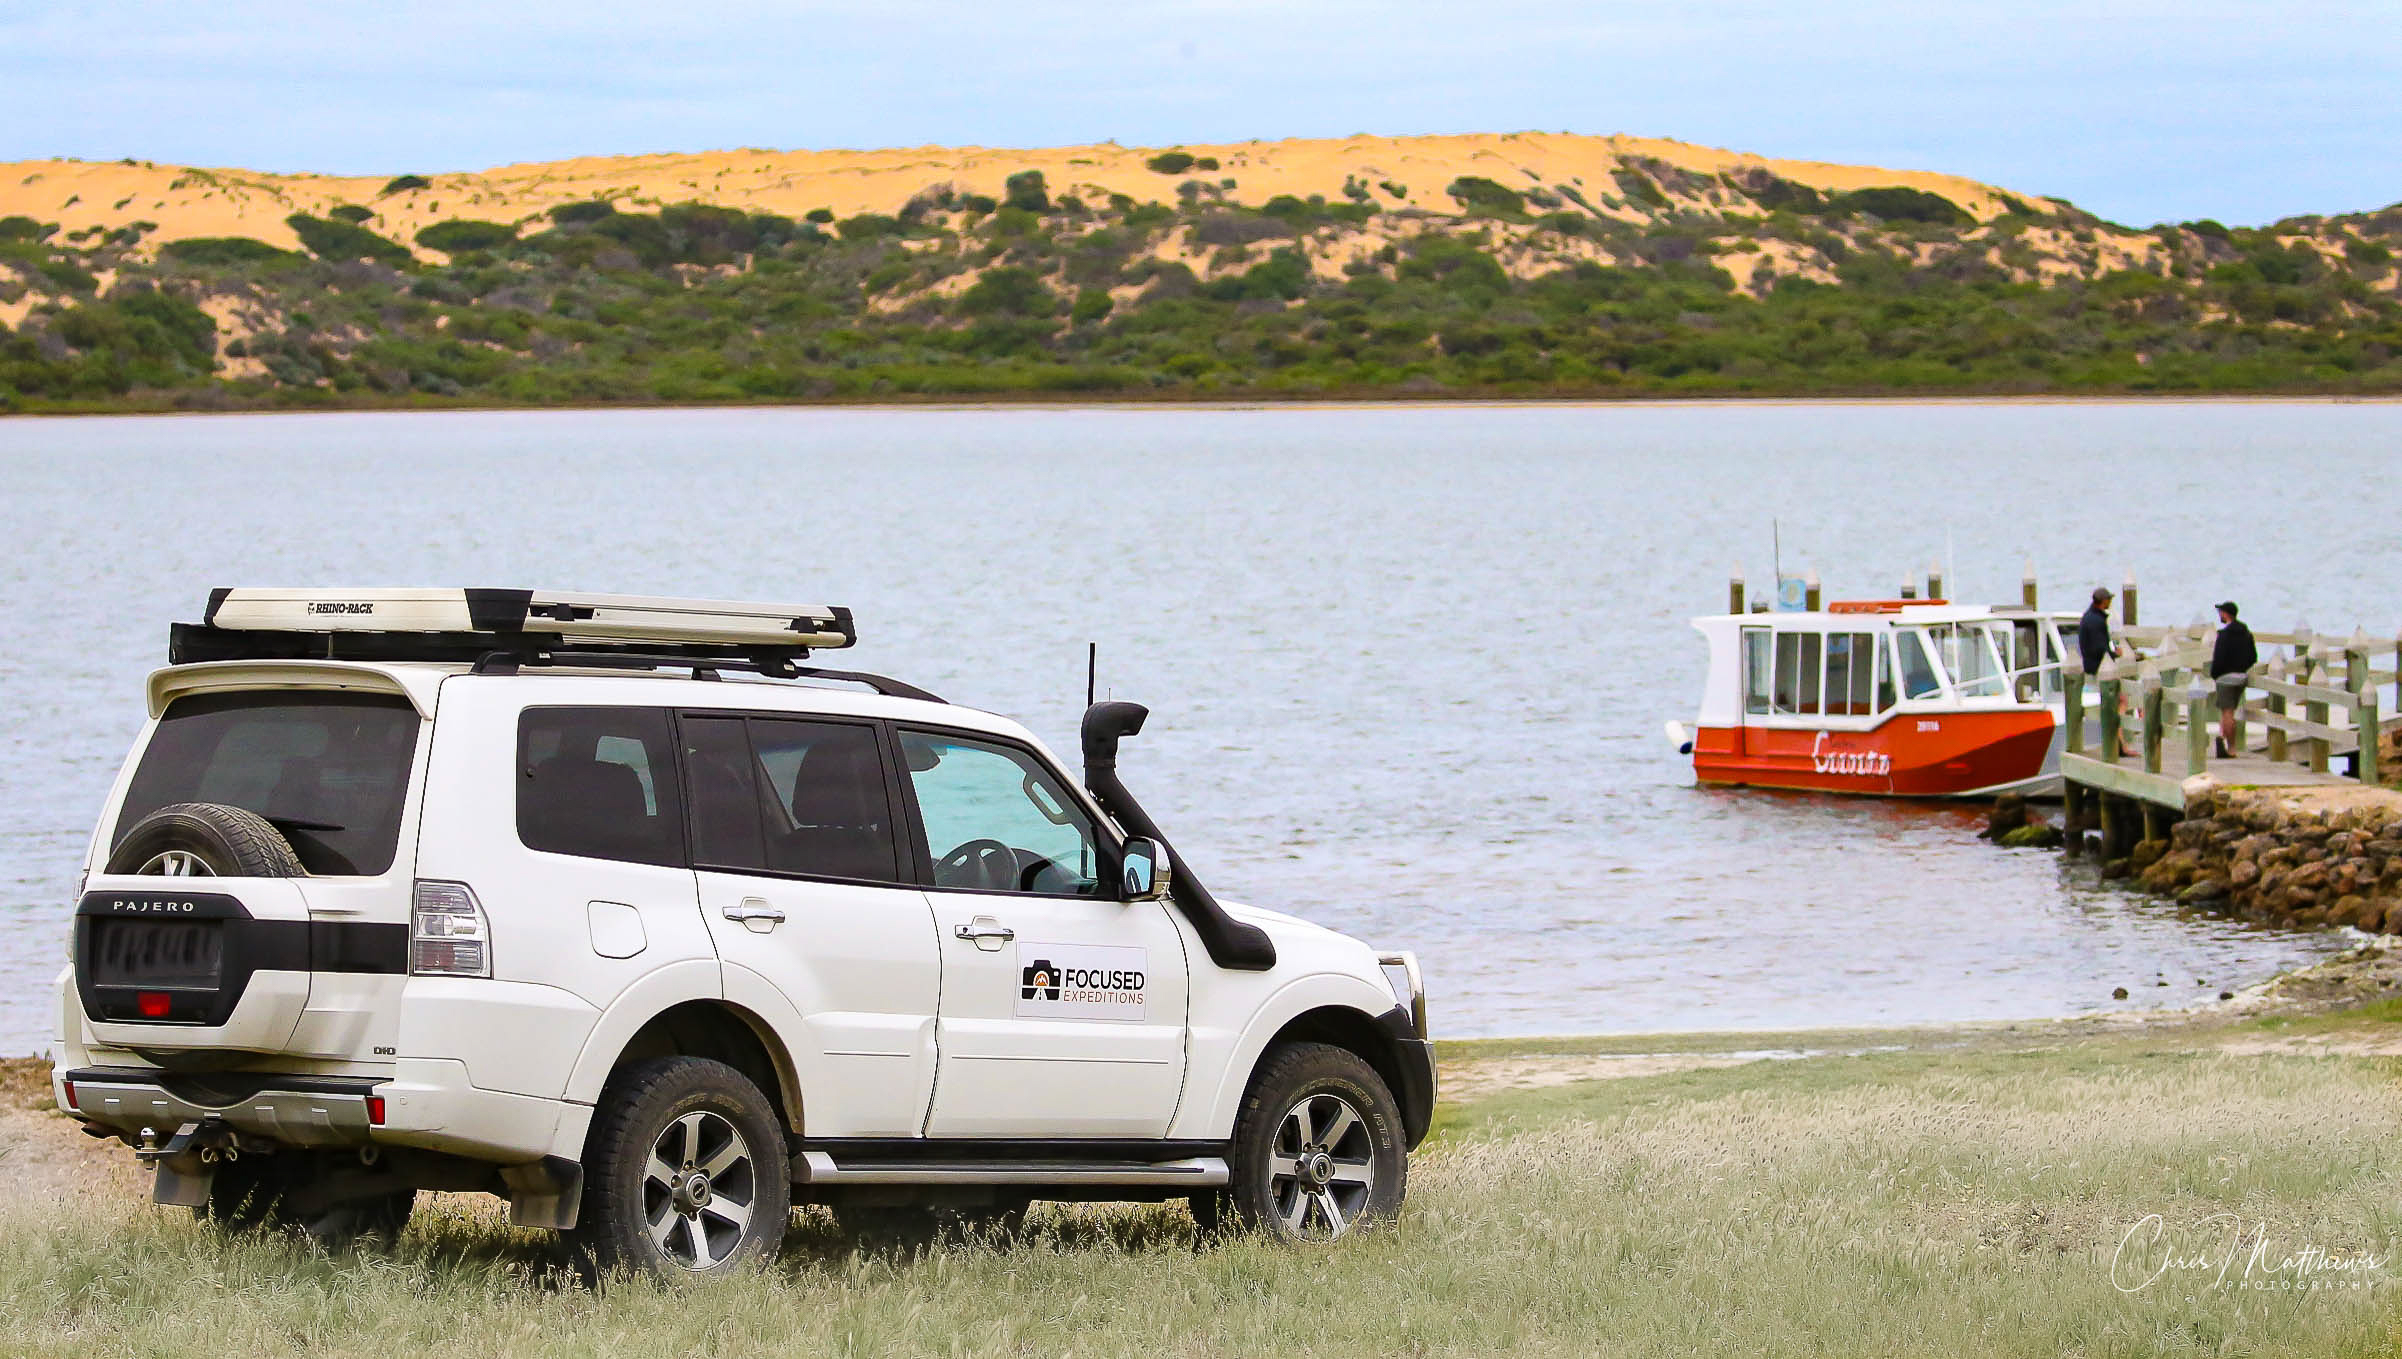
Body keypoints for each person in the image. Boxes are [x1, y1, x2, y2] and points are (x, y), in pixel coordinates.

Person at [2210, 600, 2258, 757]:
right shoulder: (2246, 633)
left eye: (2221, 613)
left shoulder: (2224, 635)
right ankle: (2224, 742)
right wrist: (2242, 669)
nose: (2220, 616)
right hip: (2241, 677)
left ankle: (2231, 748)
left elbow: (2219, 658)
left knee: (2227, 713)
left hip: (2226, 678)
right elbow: (2253, 657)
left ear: (2225, 614)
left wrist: (2215, 674)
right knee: (2232, 711)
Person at [2078, 586, 2112, 675]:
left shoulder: (2088, 616)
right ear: (2104, 600)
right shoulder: (2096, 620)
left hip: (2089, 664)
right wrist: (2114, 655)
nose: (2110, 602)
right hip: (2097, 667)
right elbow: (2099, 647)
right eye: (2109, 599)